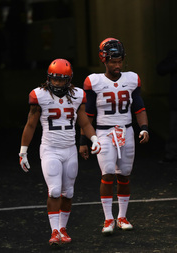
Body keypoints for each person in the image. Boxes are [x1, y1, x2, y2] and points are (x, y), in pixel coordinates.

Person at [19, 59, 101, 245]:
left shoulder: (78, 95)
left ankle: (63, 228)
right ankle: (54, 231)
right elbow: (30, 125)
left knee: (68, 192)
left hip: (69, 149)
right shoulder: (39, 95)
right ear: (48, 78)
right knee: (55, 190)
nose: (58, 83)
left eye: (62, 80)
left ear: (69, 79)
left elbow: (85, 123)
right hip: (50, 149)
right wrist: (23, 151)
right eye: (55, 79)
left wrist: (94, 139)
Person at [79, 38, 149, 235]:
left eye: (120, 61)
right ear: (104, 60)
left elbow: (139, 106)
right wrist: (83, 141)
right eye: (113, 61)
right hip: (104, 132)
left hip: (126, 130)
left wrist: (144, 127)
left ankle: (122, 216)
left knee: (124, 174)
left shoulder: (132, 79)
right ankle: (108, 218)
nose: (117, 65)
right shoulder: (94, 82)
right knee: (108, 173)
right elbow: (88, 115)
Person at [156, 50, 177, 163]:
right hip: (175, 101)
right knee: (174, 129)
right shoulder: (174, 56)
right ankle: (171, 154)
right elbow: (161, 69)